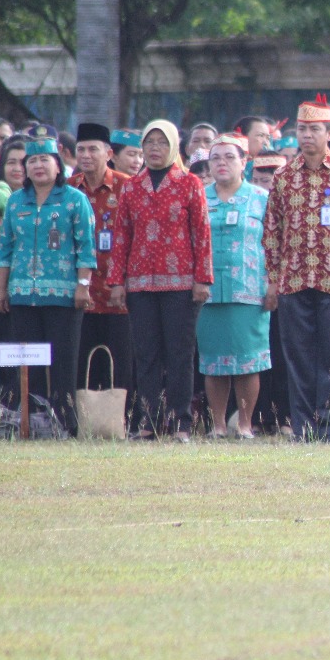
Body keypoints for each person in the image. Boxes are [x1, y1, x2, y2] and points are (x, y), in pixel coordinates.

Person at [262, 95, 330, 442]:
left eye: (314, 130)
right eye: (302, 129)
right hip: (294, 279)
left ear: (329, 133)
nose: (307, 136)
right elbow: (272, 231)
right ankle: (304, 426)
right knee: (298, 356)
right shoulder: (283, 176)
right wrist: (274, 279)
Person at [108, 121, 213, 442]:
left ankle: (181, 422)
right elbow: (122, 235)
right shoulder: (132, 187)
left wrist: (202, 279)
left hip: (181, 285)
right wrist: (117, 281)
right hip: (139, 285)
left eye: (161, 142)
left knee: (180, 354)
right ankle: (148, 421)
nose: (154, 148)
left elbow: (201, 233)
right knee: (147, 354)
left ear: (173, 146)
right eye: (148, 142)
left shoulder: (189, 183)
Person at [0, 137, 96, 433]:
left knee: (63, 362)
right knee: (27, 363)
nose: (38, 166)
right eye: (32, 161)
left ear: (58, 164)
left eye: (44, 160)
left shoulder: (74, 200)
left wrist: (83, 285)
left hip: (64, 296)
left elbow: (86, 247)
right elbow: (5, 250)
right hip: (23, 295)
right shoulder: (16, 201)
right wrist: (1, 290)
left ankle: (64, 424)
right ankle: (30, 422)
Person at [198, 134, 271, 440]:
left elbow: (274, 243)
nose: (222, 163)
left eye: (230, 157)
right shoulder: (199, 196)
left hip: (250, 288)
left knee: (246, 359)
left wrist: (274, 283)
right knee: (213, 361)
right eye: (216, 158)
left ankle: (244, 424)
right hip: (208, 291)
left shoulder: (261, 198)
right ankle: (216, 425)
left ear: (244, 162)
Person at [68, 123, 133, 412]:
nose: (86, 155)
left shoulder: (126, 186)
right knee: (80, 361)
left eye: (93, 149)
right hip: (79, 292)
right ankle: (82, 420)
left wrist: (124, 281)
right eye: (81, 149)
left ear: (108, 153)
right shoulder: (68, 189)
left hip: (117, 291)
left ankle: (123, 420)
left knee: (121, 363)